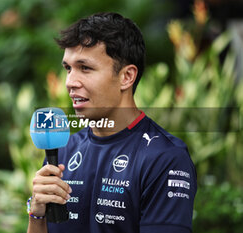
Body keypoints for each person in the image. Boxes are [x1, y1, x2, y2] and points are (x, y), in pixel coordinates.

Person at [27, 12, 197, 233]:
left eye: (85, 68)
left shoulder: (165, 159)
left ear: (126, 77)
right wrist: (37, 214)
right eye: (68, 68)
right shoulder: (64, 150)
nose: (70, 82)